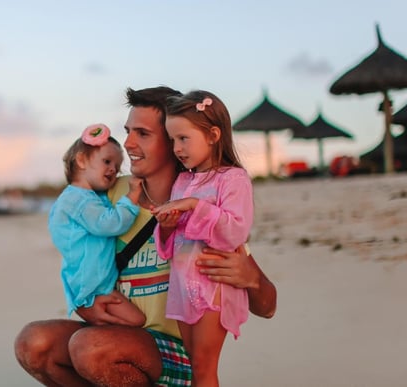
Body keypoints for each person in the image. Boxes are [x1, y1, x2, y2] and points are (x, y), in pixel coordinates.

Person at [14, 86, 277, 387]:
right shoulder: (109, 193)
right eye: (128, 131)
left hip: (172, 350)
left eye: (142, 133)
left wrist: (251, 278)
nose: (127, 143)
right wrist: (82, 302)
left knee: (91, 347)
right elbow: (73, 252)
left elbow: (267, 306)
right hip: (114, 333)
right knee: (34, 343)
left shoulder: (204, 199)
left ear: (174, 140)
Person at [151, 90, 253, 386]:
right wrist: (168, 225)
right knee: (195, 366)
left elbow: (235, 231)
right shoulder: (182, 181)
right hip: (183, 285)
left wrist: (195, 205)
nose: (177, 148)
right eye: (172, 140)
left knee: (205, 368)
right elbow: (170, 247)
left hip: (213, 285)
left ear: (213, 134)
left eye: (184, 138)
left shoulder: (233, 178)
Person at [48, 123, 146, 327]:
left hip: (96, 283)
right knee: (136, 321)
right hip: (91, 287)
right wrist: (132, 197)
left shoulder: (87, 198)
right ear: (82, 160)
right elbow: (108, 224)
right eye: (107, 161)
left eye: (118, 168)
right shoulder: (77, 200)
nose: (113, 169)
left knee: (132, 322)